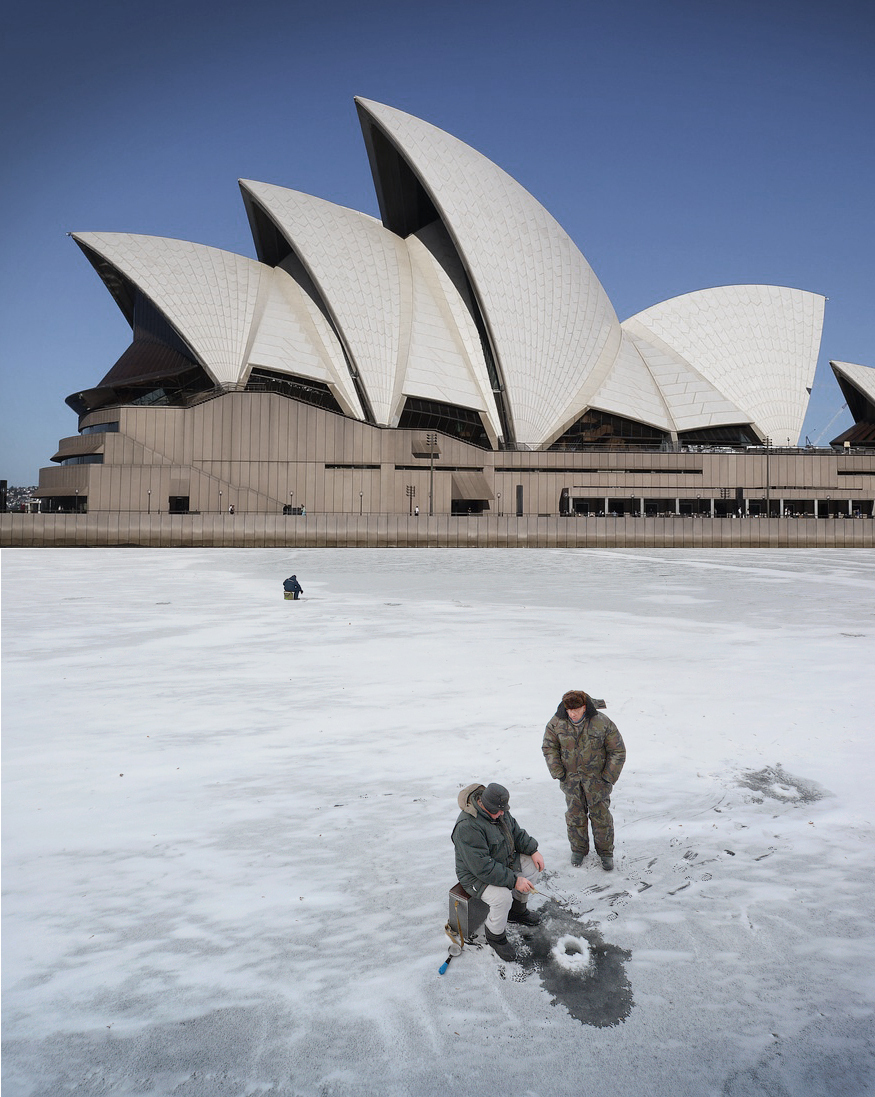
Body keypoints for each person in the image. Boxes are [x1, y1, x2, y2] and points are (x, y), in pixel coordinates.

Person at [451, 782, 545, 962]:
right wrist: (515, 880)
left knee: (532, 868)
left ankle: (516, 912)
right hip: (475, 876)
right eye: (498, 811)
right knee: (502, 897)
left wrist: (533, 850)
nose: (502, 814)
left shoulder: (498, 809)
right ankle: (495, 936)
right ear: (484, 804)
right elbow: (482, 868)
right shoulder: (467, 826)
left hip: (502, 862)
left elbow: (516, 833)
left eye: (504, 810)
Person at [542, 690, 625, 871]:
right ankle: (578, 850)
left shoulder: (601, 722)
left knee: (601, 817)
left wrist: (608, 777)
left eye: (576, 710)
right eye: (569, 710)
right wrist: (558, 772)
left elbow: (617, 751)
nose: (572, 714)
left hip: (597, 782)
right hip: (571, 782)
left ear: (584, 707)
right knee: (574, 816)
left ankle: (605, 853)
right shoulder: (556, 723)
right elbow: (549, 748)